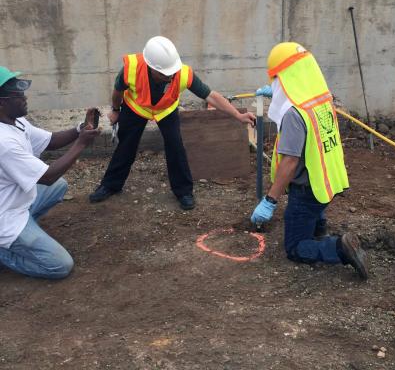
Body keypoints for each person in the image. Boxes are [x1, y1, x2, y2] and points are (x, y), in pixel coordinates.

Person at [89, 36, 255, 209]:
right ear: (150, 66)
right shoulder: (130, 68)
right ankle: (110, 185)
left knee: (176, 146)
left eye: (171, 72)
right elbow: (118, 92)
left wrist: (238, 115)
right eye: (164, 74)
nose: (169, 77)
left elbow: (210, 95)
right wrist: (116, 111)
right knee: (126, 146)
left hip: (165, 110)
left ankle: (183, 191)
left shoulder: (182, 73)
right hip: (136, 107)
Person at [251, 42, 369, 279]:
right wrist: (277, 94)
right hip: (327, 180)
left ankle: (340, 249)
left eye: (277, 80)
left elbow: (290, 162)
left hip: (307, 190)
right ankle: (319, 228)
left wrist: (270, 201)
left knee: (295, 248)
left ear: (284, 77)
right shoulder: (321, 100)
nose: (276, 83)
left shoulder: (294, 115)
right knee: (315, 209)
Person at [0, 66, 100, 279]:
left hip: (16, 202)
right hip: (6, 217)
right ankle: (5, 252)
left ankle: (27, 232)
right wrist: (81, 144)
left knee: (60, 186)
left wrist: (78, 130)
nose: (25, 98)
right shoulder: (4, 142)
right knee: (60, 265)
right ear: (1, 103)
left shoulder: (15, 122)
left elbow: (50, 141)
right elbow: (47, 177)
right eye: (18, 95)